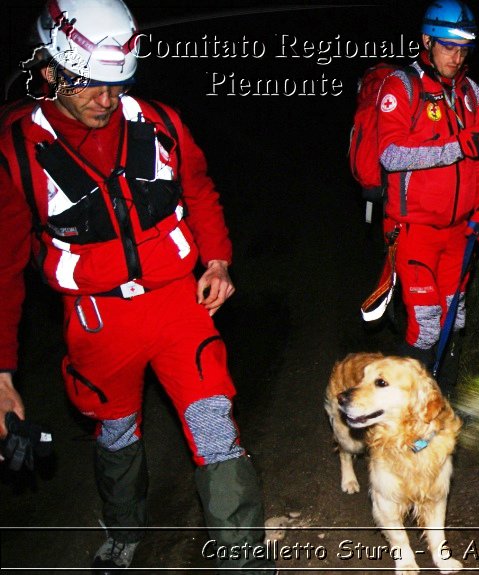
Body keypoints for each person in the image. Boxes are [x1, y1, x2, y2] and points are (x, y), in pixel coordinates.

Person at [0, 1, 274, 572]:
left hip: (178, 305)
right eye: (90, 86)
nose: (107, 100)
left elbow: (198, 189)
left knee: (214, 425)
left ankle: (244, 559)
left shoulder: (160, 122)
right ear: (51, 71)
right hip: (98, 322)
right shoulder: (17, 152)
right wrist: (2, 373)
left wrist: (218, 259)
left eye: (117, 84)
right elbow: (3, 269)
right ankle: (125, 532)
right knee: (116, 431)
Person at [377, 0, 479, 395]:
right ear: (426, 41)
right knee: (425, 324)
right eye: (448, 47)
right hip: (415, 232)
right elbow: (391, 154)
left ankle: (440, 405)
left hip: (460, 232)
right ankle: (402, 413)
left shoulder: (472, 94)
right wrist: (456, 146)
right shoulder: (401, 86)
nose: (456, 57)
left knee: (453, 320)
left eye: (463, 49)